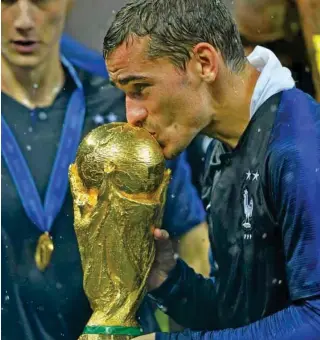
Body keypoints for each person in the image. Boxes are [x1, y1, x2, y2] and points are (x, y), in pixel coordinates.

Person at [103, 0, 320, 339]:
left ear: (204, 63)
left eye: (140, 89)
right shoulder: (220, 152)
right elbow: (236, 317)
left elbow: (316, 320)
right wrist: (169, 280)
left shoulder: (301, 148)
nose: (132, 116)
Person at [1, 1, 209, 339]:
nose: (24, 20)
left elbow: (192, 241)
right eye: (7, 1)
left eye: (40, 1)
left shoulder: (126, 109)